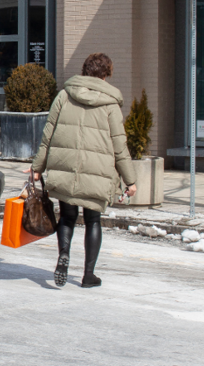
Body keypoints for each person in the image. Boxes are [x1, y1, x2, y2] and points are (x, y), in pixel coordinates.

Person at [28, 53, 137, 288]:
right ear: (105, 75)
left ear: (85, 71)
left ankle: (63, 255)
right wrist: (130, 180)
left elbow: (48, 135)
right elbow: (120, 145)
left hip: (65, 168)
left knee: (67, 217)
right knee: (93, 220)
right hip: (97, 173)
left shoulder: (64, 96)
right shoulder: (110, 104)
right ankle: (89, 275)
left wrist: (37, 168)